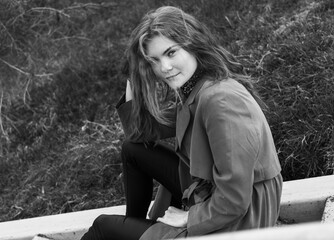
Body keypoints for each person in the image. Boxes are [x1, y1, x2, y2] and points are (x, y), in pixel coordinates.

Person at [81, 5, 283, 240]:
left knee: (102, 226)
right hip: (213, 193)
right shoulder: (196, 89)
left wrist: (189, 217)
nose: (164, 68)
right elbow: (140, 134)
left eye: (171, 53)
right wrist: (136, 74)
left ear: (192, 44)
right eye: (154, 60)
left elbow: (235, 200)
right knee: (133, 150)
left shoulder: (221, 101)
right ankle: (135, 230)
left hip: (241, 220)